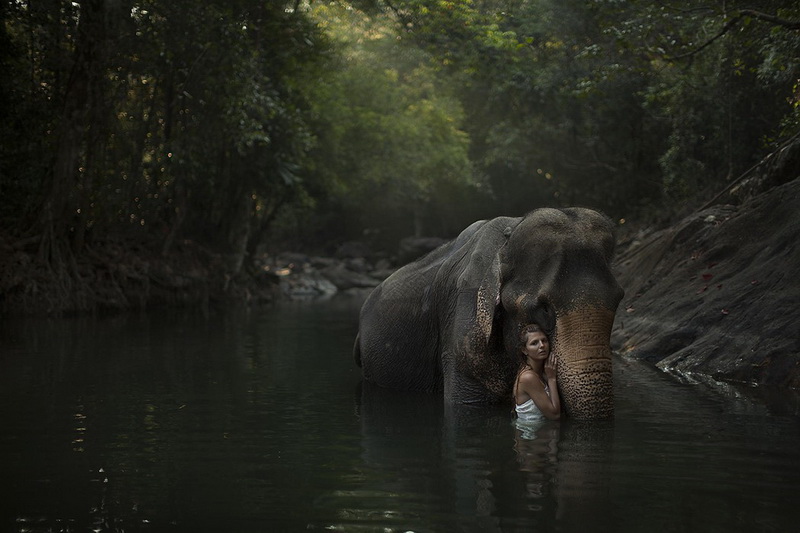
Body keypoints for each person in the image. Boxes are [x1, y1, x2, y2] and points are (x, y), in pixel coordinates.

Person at [513, 324, 561, 421]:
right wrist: (552, 379)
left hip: (542, 433)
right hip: (531, 434)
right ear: (525, 350)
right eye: (534, 343)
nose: (542, 345)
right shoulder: (528, 377)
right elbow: (555, 415)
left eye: (544, 341)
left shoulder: (539, 373)